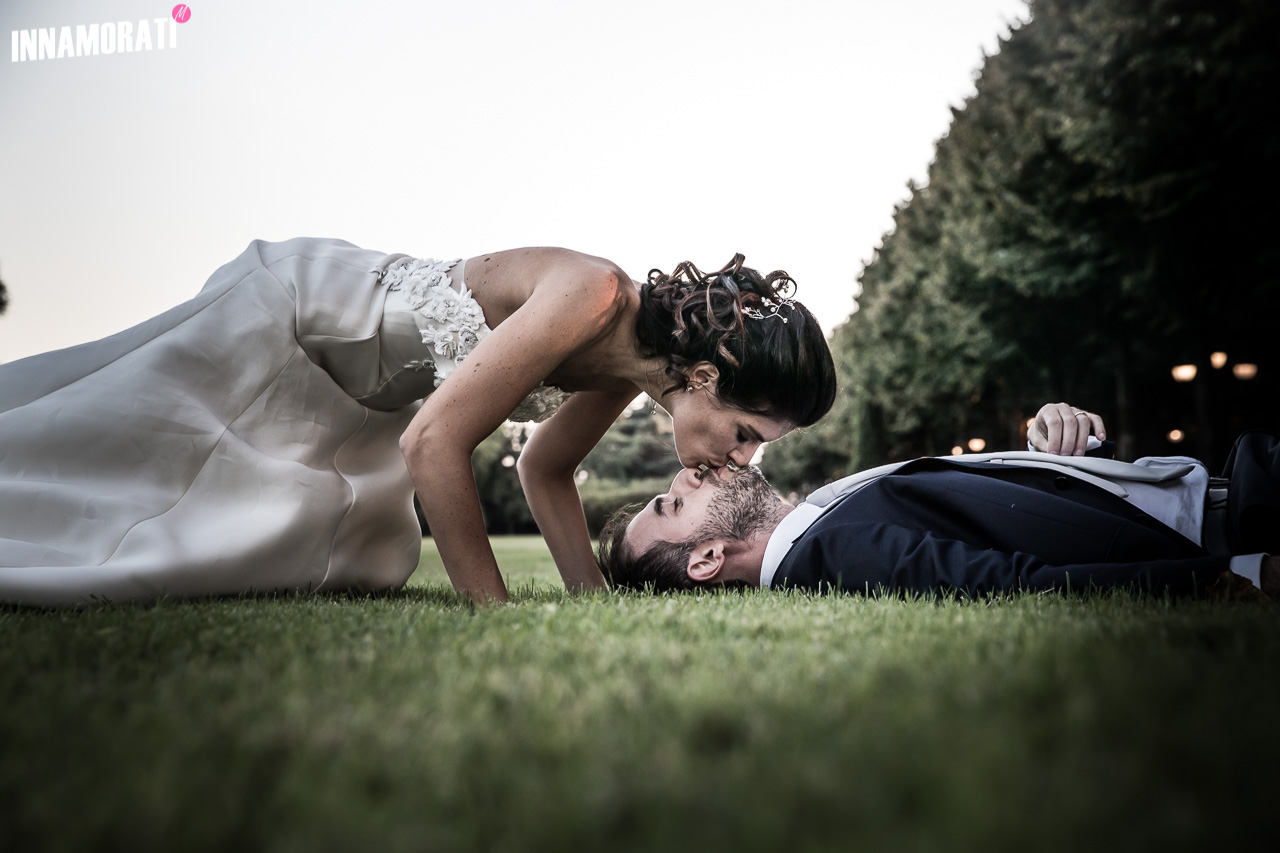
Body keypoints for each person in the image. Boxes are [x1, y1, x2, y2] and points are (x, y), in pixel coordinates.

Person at [0, 237, 837, 606]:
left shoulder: (629, 371)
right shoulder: (596, 297)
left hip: (356, 391)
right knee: (101, 447)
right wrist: (493, 609)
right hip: (297, 325)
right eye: (747, 436)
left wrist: (594, 598)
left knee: (308, 553)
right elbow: (433, 440)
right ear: (705, 376)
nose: (742, 462)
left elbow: (543, 469)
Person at [597, 420, 1280, 600]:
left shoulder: (820, 521)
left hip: (1224, 483)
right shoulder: (830, 555)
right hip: (1242, 516)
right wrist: (1243, 572)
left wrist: (1064, 441)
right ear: (709, 558)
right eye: (674, 502)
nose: (688, 471)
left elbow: (1013, 506)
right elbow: (1017, 586)